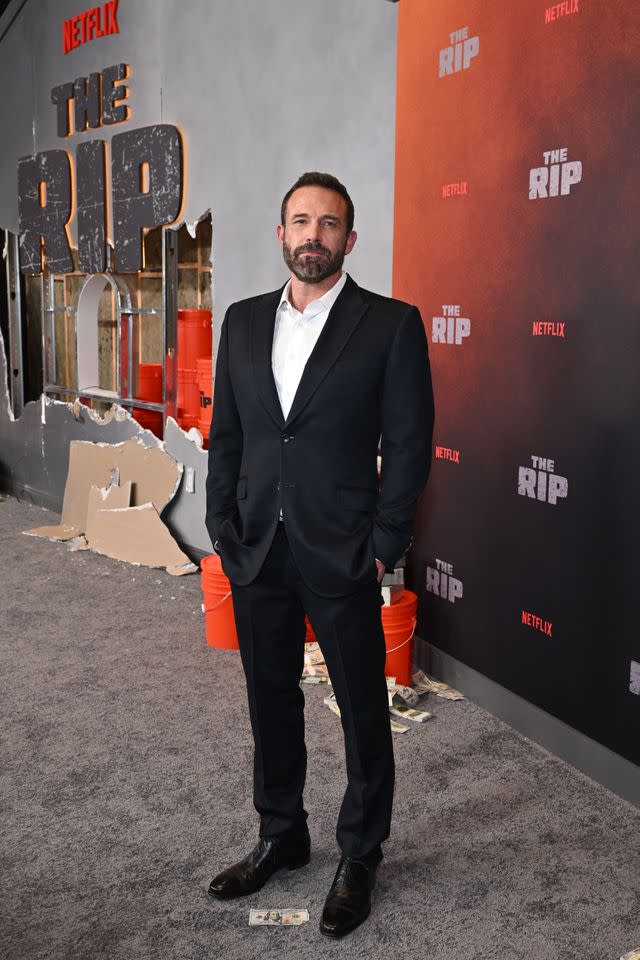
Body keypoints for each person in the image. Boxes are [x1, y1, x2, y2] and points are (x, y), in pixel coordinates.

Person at [205, 171, 434, 938]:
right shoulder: (238, 323)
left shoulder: (390, 325)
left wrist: (383, 545)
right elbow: (230, 437)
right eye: (300, 221)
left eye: (328, 224)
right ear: (280, 233)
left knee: (363, 708)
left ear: (350, 238)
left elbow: (407, 446)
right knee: (269, 699)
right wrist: (222, 526)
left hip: (342, 551)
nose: (313, 235)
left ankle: (361, 853)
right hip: (256, 551)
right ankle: (282, 833)